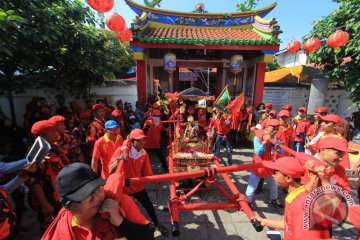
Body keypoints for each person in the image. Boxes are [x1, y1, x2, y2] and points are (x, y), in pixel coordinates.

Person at [42, 163, 155, 240]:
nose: (97, 197)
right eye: (87, 195)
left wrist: (120, 222)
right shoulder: (61, 232)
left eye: (98, 189)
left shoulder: (120, 204)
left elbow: (149, 237)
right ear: (67, 205)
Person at [109, 129, 169, 236]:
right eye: (139, 141)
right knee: (123, 211)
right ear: (132, 141)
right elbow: (110, 170)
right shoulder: (121, 150)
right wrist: (120, 159)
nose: (142, 144)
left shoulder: (143, 153)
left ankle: (157, 224)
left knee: (149, 206)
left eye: (143, 141)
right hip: (124, 187)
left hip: (137, 186)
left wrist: (156, 183)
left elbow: (148, 172)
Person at [255, 157, 331, 240]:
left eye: (275, 172)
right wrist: (265, 221)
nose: (272, 175)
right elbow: (290, 224)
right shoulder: (295, 197)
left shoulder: (302, 206)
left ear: (288, 178)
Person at [29, 120, 71, 230]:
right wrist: (45, 205)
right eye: (53, 131)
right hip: (51, 199)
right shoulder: (38, 155)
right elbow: (34, 182)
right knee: (53, 228)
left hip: (62, 196)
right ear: (43, 135)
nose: (57, 133)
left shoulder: (54, 147)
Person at [245, 119, 284, 208]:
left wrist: (278, 146)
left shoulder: (275, 138)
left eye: (277, 129)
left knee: (273, 186)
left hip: (269, 165)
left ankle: (274, 199)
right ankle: (248, 201)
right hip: (258, 165)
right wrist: (264, 143)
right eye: (273, 128)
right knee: (251, 186)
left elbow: (281, 152)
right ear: (267, 127)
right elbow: (258, 152)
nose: (275, 131)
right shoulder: (258, 137)